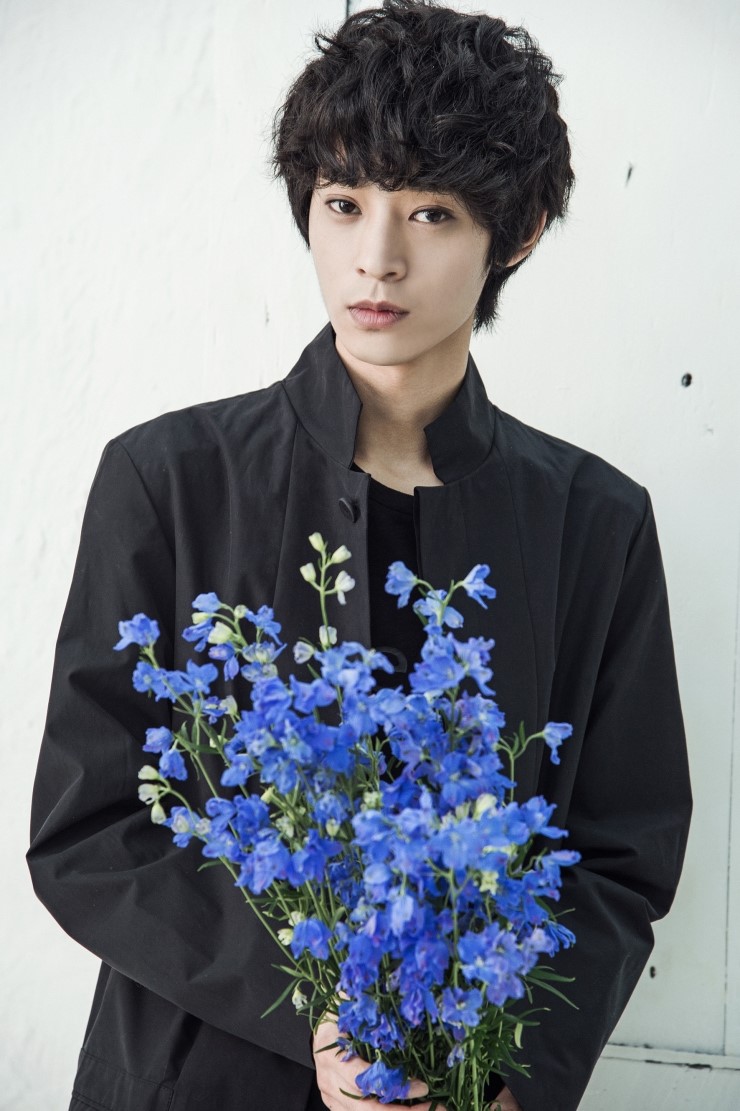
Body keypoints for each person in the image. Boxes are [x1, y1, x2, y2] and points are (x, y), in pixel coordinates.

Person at [26, 2, 692, 1110]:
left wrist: (505, 1077)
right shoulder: (167, 477)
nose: (375, 259)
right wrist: (317, 1010)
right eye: (343, 203)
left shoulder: (593, 522)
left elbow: (622, 850)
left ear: (519, 232)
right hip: (194, 1078)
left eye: (430, 212)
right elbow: (88, 828)